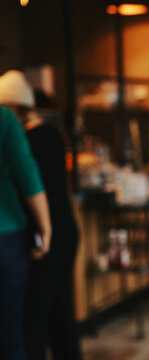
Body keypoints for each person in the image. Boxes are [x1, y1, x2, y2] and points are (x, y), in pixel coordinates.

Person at [0, 70, 82, 360]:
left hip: (43, 235)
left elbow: (30, 184)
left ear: (14, 109)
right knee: (61, 310)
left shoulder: (25, 137)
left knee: (32, 318)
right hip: (66, 230)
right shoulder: (52, 134)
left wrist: (42, 232)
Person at [0, 81, 51, 358]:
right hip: (6, 237)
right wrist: (46, 229)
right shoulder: (5, 118)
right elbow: (27, 175)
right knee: (11, 338)